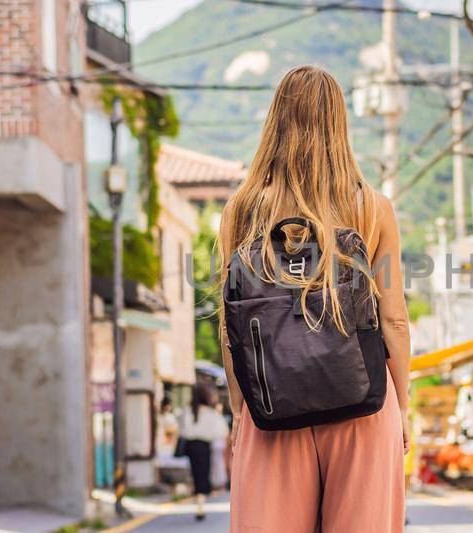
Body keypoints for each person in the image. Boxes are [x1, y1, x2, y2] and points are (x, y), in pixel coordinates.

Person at [218, 65, 412, 532]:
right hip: (362, 400)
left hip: (274, 406)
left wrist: (239, 409)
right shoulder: (370, 206)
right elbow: (395, 321)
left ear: (274, 123)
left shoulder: (241, 210)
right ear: (340, 124)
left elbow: (232, 329)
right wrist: (401, 406)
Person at [179, 383, 228, 522]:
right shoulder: (210, 413)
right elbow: (221, 431)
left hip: (190, 446)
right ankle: (200, 503)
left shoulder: (188, 411)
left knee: (195, 473)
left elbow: (183, 430)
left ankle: (198, 500)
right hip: (204, 446)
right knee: (203, 473)